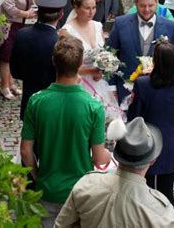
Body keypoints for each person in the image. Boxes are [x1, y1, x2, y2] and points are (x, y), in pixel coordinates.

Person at [21, 35, 111, 227]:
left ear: (53, 61)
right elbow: (98, 158)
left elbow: (25, 150)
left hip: (48, 188)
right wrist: (109, 155)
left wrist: (38, 176)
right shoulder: (93, 106)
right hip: (80, 191)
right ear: (80, 64)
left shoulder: (36, 101)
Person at [54, 117, 174, 228]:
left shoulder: (86, 184)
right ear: (152, 161)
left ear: (117, 155)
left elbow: (61, 225)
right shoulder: (161, 212)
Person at [128, 40, 174, 205]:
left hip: (146, 144)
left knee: (144, 191)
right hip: (171, 143)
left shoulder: (143, 84)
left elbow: (135, 116)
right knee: (166, 191)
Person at [108, 0, 174, 103]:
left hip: (159, 90)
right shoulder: (120, 23)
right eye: (142, 6)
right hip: (125, 89)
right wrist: (112, 87)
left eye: (150, 5)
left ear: (157, 3)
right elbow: (110, 56)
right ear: (136, 3)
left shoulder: (170, 26)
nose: (147, 9)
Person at [10, 0, 67, 120]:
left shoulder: (22, 35)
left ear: (37, 12)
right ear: (61, 15)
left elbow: (15, 71)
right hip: (54, 104)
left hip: (30, 100)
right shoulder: (61, 42)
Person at [60, 0, 118, 119]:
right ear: (76, 8)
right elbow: (65, 66)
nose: (91, 12)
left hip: (99, 81)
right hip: (78, 82)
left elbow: (104, 52)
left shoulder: (98, 26)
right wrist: (91, 71)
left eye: (94, 7)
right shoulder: (66, 31)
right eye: (87, 8)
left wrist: (105, 69)